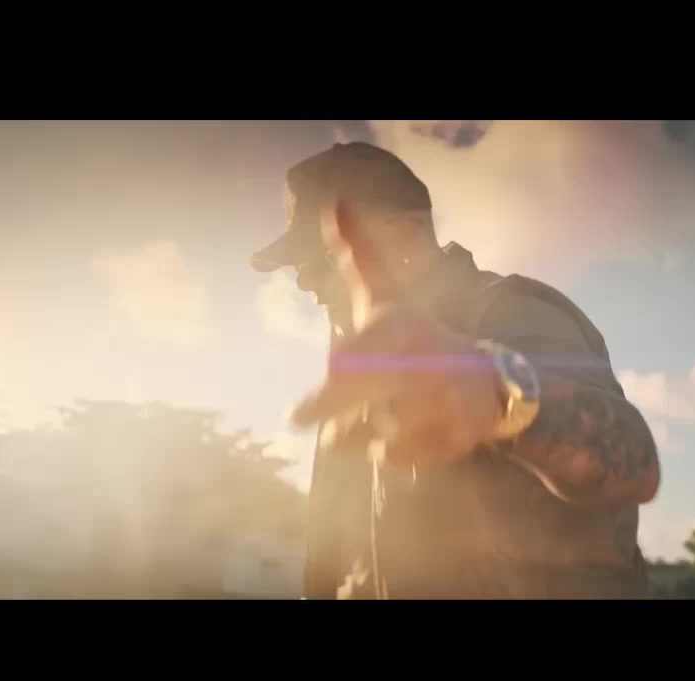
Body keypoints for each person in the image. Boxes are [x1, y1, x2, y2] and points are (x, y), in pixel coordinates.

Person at [250, 141, 662, 599]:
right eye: (296, 268)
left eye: (320, 260)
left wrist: (498, 398)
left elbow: (633, 464)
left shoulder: (513, 314)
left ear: (405, 238)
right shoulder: (378, 374)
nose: (305, 283)